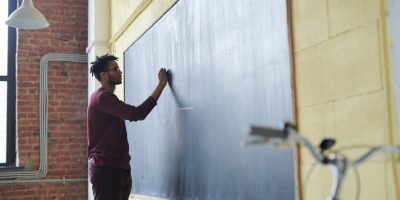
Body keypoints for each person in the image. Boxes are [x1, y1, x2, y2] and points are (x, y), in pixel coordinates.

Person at [87, 54, 168, 200]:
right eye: (115, 69)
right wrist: (161, 85)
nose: (120, 71)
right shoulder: (102, 98)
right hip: (107, 169)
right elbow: (137, 113)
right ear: (103, 75)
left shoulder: (106, 98)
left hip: (118, 167)